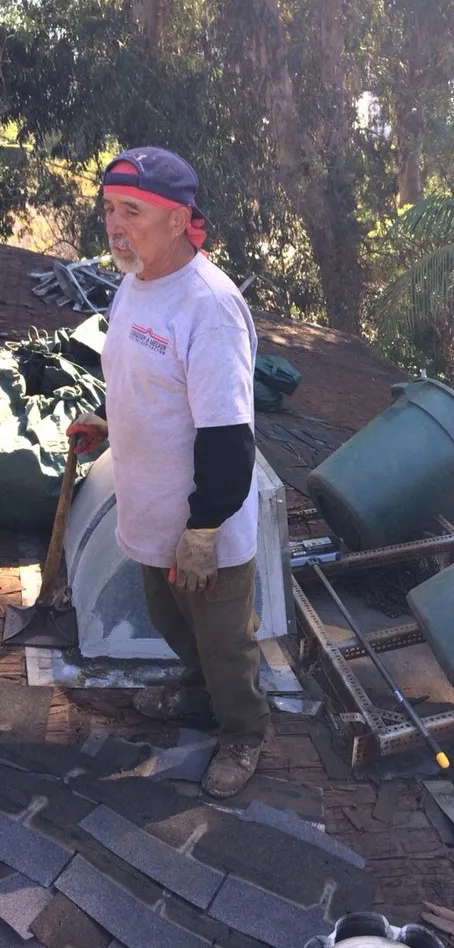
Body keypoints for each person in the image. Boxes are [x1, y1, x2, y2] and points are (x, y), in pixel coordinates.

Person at [67, 147, 269, 798]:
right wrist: (108, 420)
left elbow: (227, 432)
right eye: (109, 210)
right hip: (150, 505)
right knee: (170, 620)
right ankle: (198, 694)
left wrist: (205, 527)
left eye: (134, 211)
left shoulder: (208, 306)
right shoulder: (136, 280)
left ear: (180, 219)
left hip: (200, 517)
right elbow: (149, 384)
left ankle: (243, 732)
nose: (115, 225)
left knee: (225, 643)